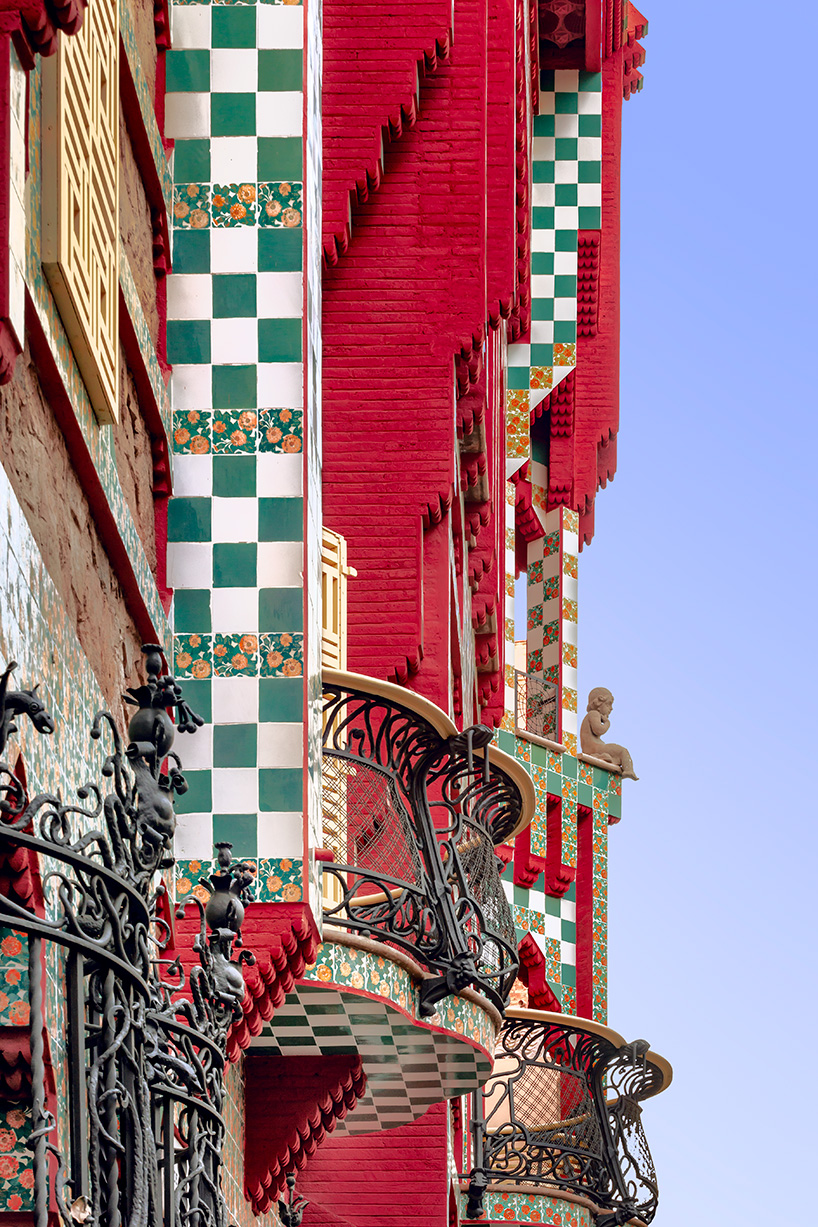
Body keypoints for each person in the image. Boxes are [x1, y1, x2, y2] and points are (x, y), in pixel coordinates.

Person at [580, 687, 638, 780]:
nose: (611, 709)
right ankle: (628, 770)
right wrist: (607, 723)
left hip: (594, 748)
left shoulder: (592, 715)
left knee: (617, 751)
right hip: (596, 748)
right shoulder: (593, 714)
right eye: (608, 705)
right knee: (622, 751)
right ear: (599, 703)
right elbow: (598, 730)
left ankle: (608, 759)